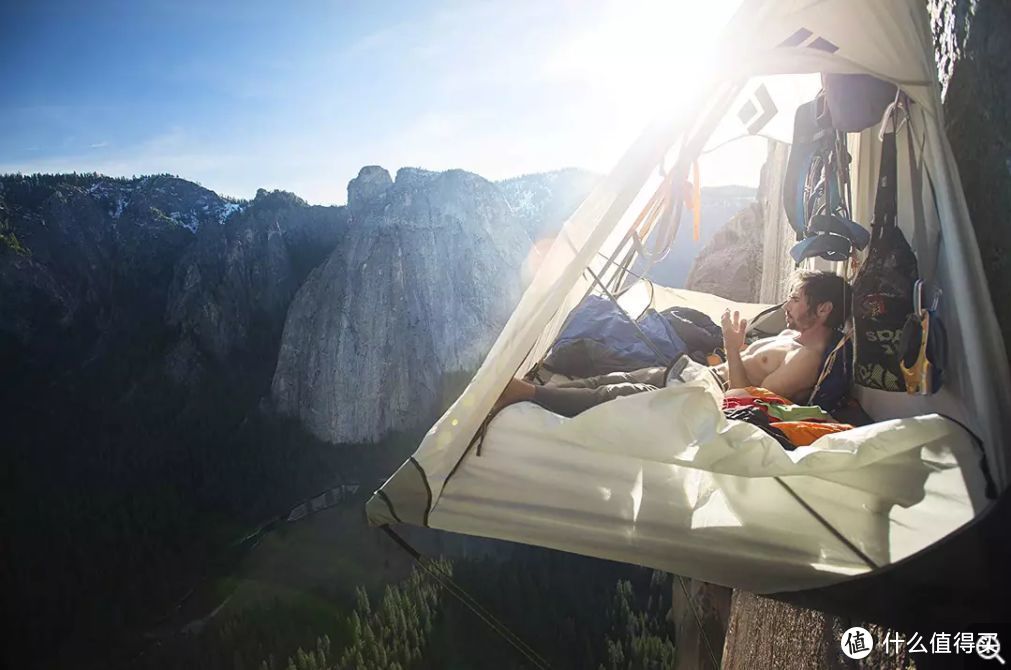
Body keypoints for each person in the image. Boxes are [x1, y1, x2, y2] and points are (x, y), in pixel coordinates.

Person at [495, 270, 851, 417]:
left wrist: (730, 346)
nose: (788, 305)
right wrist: (736, 346)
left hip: (707, 394)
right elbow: (750, 370)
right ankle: (525, 391)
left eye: (796, 299)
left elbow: (743, 401)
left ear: (823, 309)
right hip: (697, 373)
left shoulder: (807, 360)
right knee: (617, 377)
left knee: (615, 395)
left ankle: (523, 395)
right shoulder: (790, 336)